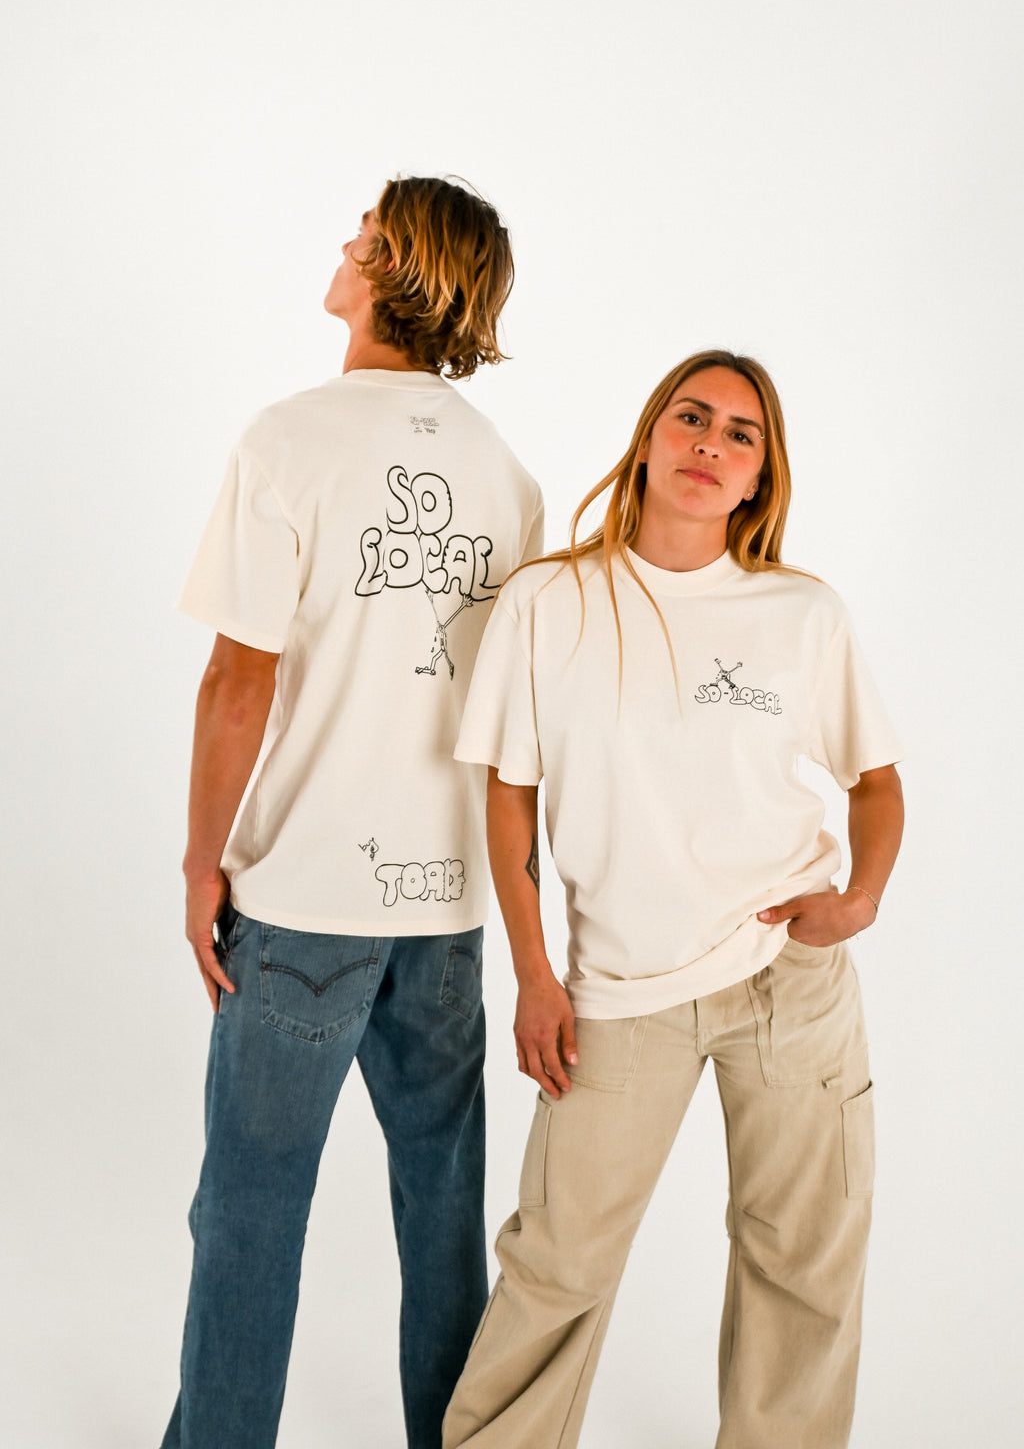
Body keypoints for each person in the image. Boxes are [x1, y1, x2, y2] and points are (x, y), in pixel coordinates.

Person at [443, 350, 904, 1449]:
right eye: (691, 417)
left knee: (802, 1263)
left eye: (741, 434)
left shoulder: (802, 614)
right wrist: (534, 976)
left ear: (759, 477)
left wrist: (861, 898)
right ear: (649, 437)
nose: (710, 444)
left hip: (789, 981)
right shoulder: (550, 600)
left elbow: (876, 779)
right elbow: (508, 797)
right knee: (557, 1264)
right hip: (618, 993)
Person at [161, 176, 543, 1449]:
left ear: (394, 268)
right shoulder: (507, 477)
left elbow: (239, 679)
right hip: (447, 903)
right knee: (442, 1213)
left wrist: (201, 864)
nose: (342, 243)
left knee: (251, 1206)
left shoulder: (288, 441)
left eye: (363, 233)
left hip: (305, 898)